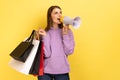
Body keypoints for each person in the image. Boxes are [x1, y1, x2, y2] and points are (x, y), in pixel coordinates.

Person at [36, 5, 75, 80]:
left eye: (60, 12)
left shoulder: (68, 31)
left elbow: (69, 51)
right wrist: (45, 37)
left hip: (62, 71)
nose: (60, 15)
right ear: (50, 16)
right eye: (56, 13)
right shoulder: (45, 32)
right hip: (45, 72)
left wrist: (65, 35)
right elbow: (47, 54)